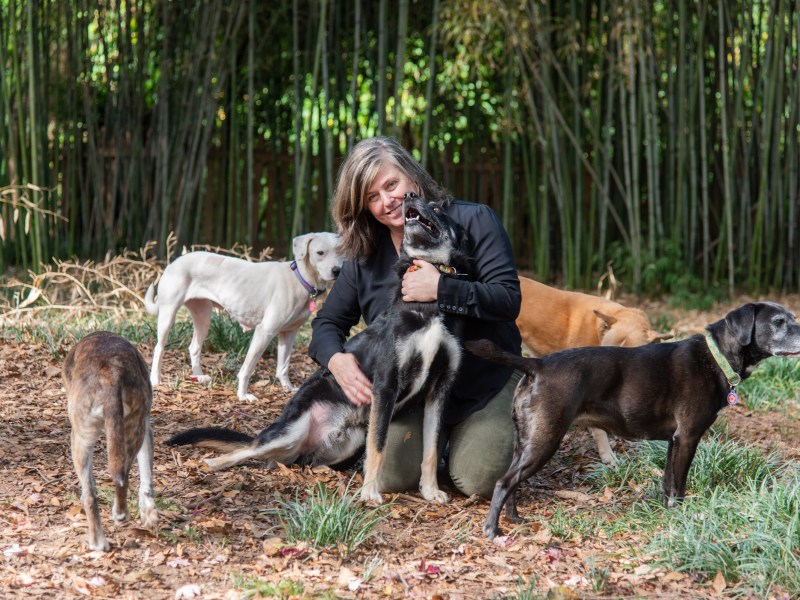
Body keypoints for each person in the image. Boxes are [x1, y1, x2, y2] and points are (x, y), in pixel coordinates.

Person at [308, 136, 522, 499]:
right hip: (410, 391)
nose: (386, 201)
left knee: (480, 479)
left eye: (391, 185)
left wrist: (443, 288)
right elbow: (326, 324)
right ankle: (433, 449)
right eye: (372, 197)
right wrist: (336, 359)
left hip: (482, 381)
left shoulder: (472, 220)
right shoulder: (365, 254)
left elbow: (507, 299)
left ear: (411, 175)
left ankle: (478, 435)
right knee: (390, 476)